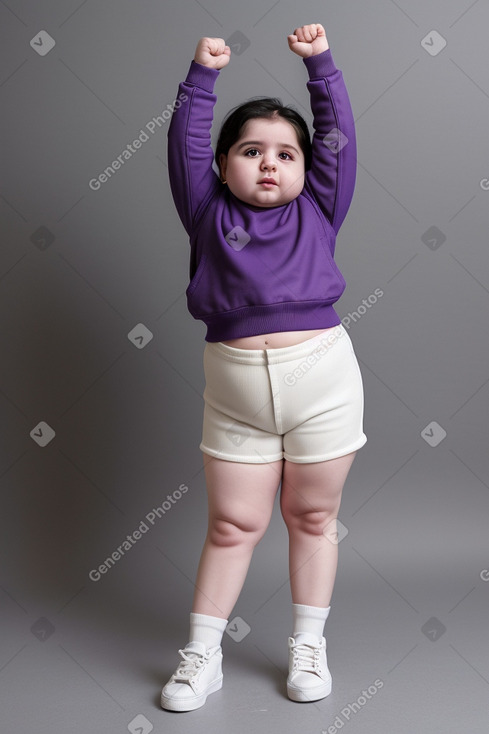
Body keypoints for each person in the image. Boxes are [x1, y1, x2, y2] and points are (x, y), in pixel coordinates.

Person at [161, 22, 367, 711]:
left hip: (322, 384)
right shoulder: (206, 213)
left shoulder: (319, 208)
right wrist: (202, 79)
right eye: (251, 151)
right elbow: (186, 142)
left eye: (285, 153)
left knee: (312, 519)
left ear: (307, 169)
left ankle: (308, 647)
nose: (269, 164)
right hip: (236, 394)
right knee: (231, 526)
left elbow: (338, 135)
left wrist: (320, 66)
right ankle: (201, 658)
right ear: (223, 166)